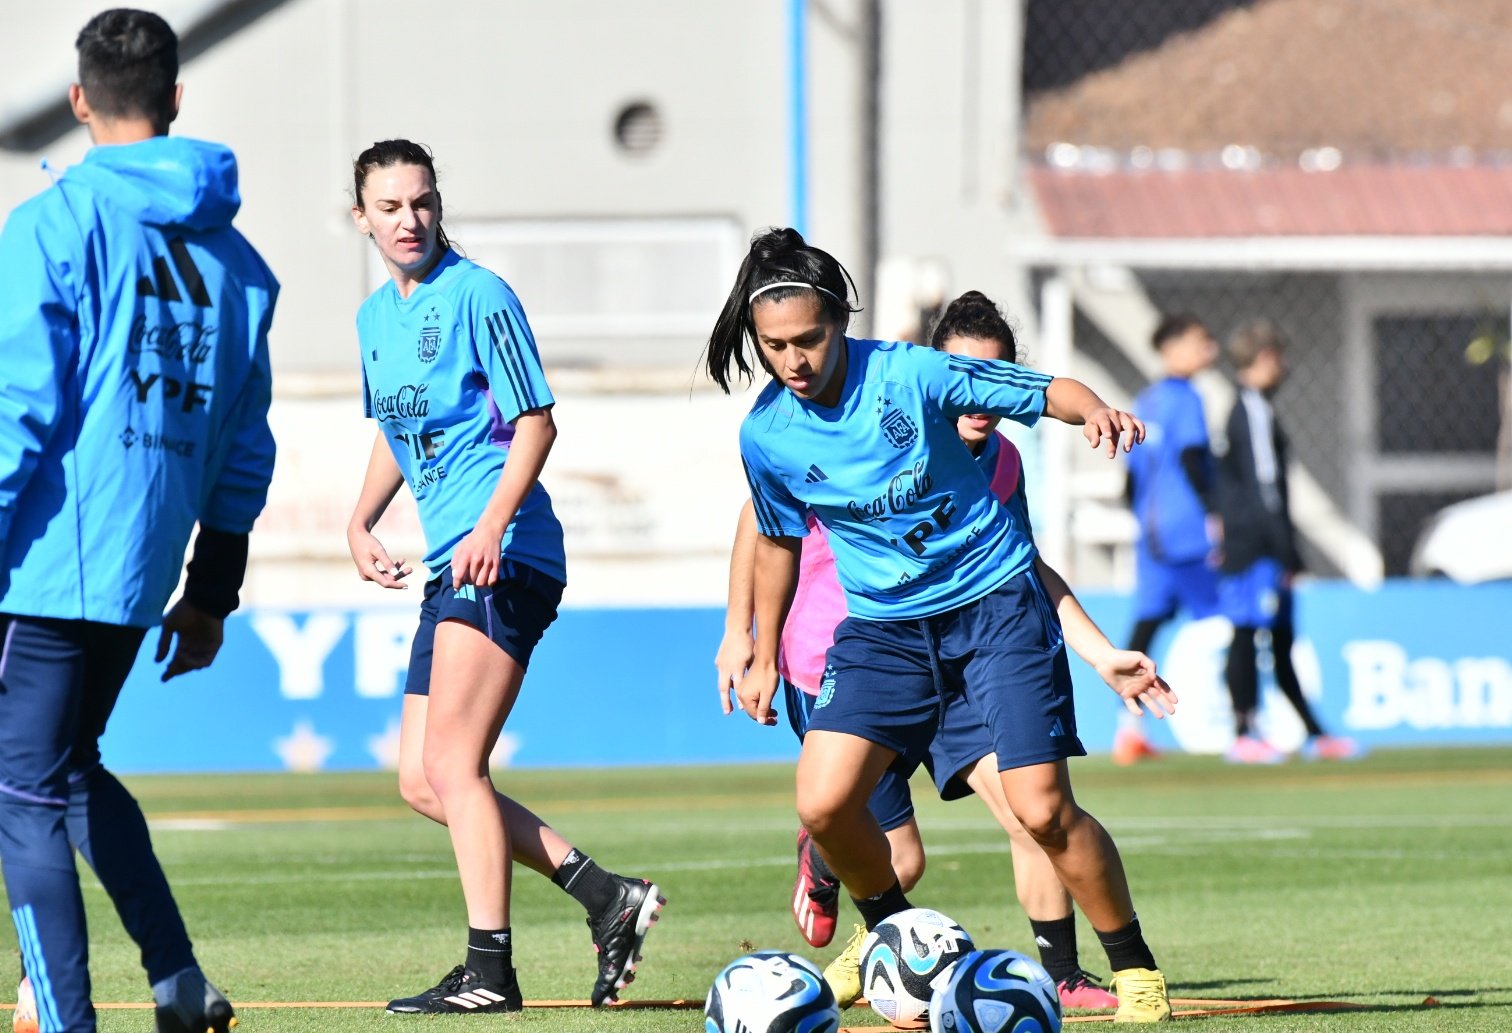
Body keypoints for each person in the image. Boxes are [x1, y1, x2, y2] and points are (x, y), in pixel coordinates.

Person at [706, 227, 1177, 1023]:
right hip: (885, 629)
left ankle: (1134, 969)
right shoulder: (766, 432)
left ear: (840, 323)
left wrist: (1093, 409)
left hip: (993, 610)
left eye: (809, 340)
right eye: (775, 345)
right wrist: (755, 643)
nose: (794, 360)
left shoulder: (908, 373)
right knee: (822, 804)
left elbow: (1042, 388)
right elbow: (779, 541)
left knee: (1041, 812)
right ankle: (894, 935)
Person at [0, 10, 275, 1032]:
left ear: (79, 100)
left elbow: (17, 410)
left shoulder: (52, 225)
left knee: (20, 788)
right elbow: (246, 448)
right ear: (174, 100)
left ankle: (67, 1020)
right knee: (67, 771)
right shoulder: (240, 265)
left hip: (41, 554)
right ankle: (179, 985)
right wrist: (208, 593)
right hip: (143, 559)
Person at [345, 139, 664, 1014]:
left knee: (455, 762)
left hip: (506, 547)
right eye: (390, 206)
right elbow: (395, 430)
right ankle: (607, 897)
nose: (409, 220)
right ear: (361, 217)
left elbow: (535, 422)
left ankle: (491, 968)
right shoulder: (376, 319)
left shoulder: (480, 295)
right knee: (422, 778)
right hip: (455, 556)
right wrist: (360, 517)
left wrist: (490, 524)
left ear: (438, 205)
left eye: (422, 202)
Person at [1216, 321, 1359, 764]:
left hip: (1263, 547)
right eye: (1278, 357)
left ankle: (1315, 733)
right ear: (1262, 360)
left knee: (1279, 638)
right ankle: (1243, 733)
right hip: (1254, 549)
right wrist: (1284, 548)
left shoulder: (1257, 409)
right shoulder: (1250, 411)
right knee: (1246, 634)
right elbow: (1265, 488)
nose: (1285, 367)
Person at [1117, 314, 1222, 765]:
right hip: (1188, 536)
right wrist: (1217, 513)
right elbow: (1196, 458)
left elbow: (1129, 477)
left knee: (1147, 629)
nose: (1209, 350)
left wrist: (1143, 519)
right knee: (1230, 623)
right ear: (1173, 348)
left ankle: (1128, 729)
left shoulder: (1145, 400)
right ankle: (1241, 722)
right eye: (1201, 341)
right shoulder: (1187, 399)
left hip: (1152, 536)